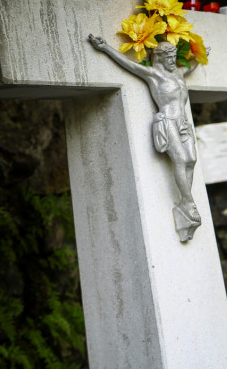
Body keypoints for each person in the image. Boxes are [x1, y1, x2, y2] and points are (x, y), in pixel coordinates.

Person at [87, 35, 203, 240]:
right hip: (167, 121)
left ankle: (185, 203)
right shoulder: (154, 75)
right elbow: (130, 65)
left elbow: (192, 65)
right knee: (181, 160)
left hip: (183, 122)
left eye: (174, 57)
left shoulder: (179, 72)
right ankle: (188, 202)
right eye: (169, 57)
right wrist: (105, 48)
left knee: (191, 160)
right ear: (159, 58)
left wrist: (201, 54)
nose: (172, 61)